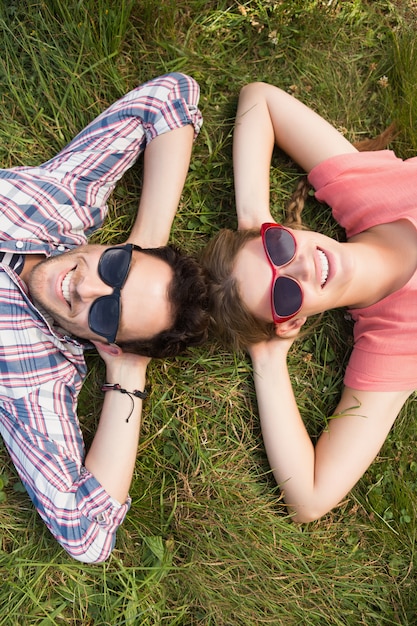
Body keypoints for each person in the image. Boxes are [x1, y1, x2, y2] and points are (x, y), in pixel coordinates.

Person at [0, 72, 208, 562]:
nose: (87, 286)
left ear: (108, 343)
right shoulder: (69, 200)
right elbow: (173, 95)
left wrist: (127, 375)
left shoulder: (37, 378)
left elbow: (88, 534)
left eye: (109, 311)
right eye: (116, 267)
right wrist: (146, 243)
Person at [200, 81, 417, 524]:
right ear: (290, 322)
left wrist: (253, 217)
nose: (299, 268)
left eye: (277, 248)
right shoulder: (394, 345)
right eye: (284, 293)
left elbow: (259, 99)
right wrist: (269, 359)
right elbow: (311, 497)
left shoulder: (366, 192)